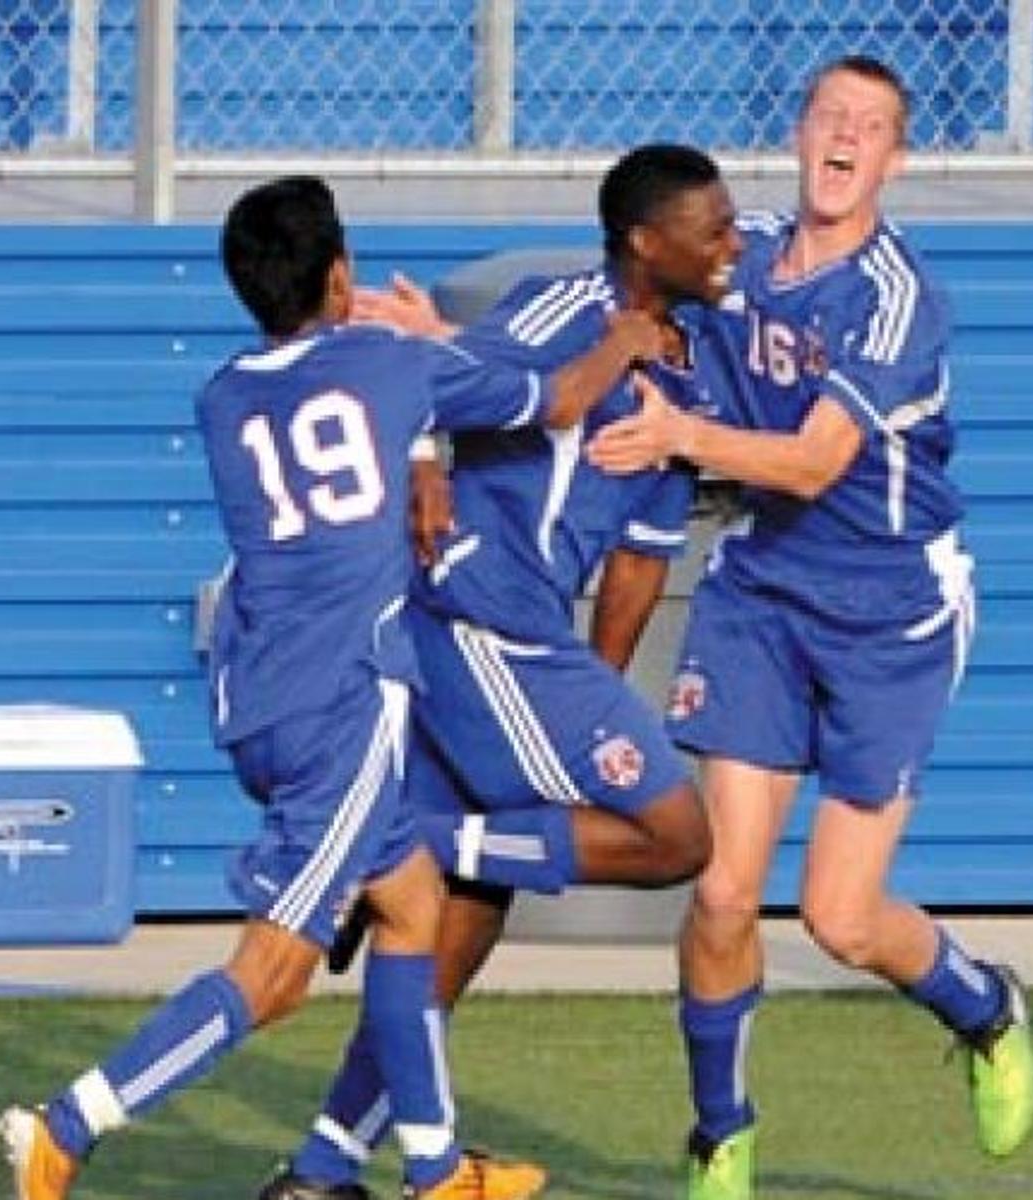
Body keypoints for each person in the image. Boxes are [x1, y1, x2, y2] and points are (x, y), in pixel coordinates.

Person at [0, 174, 665, 1200]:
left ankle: (436, 1168)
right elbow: (560, 400)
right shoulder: (392, 364)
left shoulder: (223, 396)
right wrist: (624, 340)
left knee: (411, 905)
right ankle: (68, 1128)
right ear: (343, 272)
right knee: (275, 974)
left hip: (258, 692)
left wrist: (425, 446)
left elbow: (357, 432)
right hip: (341, 708)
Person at [588, 57, 1033, 1199]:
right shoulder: (736, 265)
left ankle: (984, 1008)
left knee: (839, 917)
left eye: (871, 126)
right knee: (726, 892)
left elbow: (811, 460)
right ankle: (721, 1134)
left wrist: (680, 435)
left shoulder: (896, 299)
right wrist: (431, 351)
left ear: (894, 158)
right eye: (829, 116)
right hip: (762, 596)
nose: (845, 136)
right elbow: (614, 306)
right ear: (798, 135)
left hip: (894, 612)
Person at [259, 144, 742, 1200]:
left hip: (529, 645)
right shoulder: (559, 304)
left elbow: (639, 561)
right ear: (645, 242)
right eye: (715, 229)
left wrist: (595, 699)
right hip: (474, 614)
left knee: (458, 915)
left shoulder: (686, 367)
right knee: (676, 837)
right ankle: (391, 845)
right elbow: (429, 382)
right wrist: (428, 466)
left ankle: (321, 1170)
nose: (732, 245)